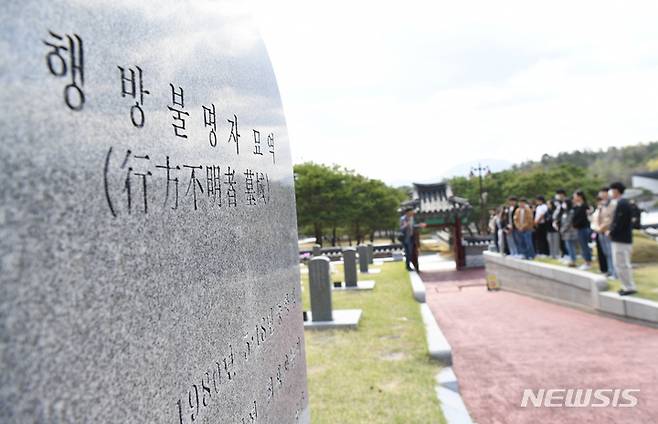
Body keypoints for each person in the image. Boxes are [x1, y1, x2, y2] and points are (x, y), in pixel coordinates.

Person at [608, 182, 637, 296]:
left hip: (622, 239)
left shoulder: (623, 203)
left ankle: (629, 287)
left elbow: (619, 223)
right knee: (619, 263)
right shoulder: (621, 203)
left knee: (622, 263)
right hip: (620, 238)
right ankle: (625, 286)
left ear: (616, 191)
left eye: (612, 190)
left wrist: (612, 232)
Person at [592, 187, 616, 278]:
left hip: (607, 231)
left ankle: (614, 272)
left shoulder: (612, 204)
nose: (601, 195)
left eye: (602, 193)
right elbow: (596, 218)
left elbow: (610, 218)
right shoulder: (602, 205)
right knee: (606, 252)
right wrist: (597, 227)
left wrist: (602, 227)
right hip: (600, 231)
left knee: (611, 252)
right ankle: (610, 270)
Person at [571, 190, 592, 270]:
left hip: (584, 228)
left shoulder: (585, 206)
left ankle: (588, 262)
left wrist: (575, 224)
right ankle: (585, 261)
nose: (574, 198)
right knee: (582, 246)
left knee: (585, 245)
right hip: (579, 228)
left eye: (575, 196)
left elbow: (583, 218)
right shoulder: (576, 206)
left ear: (580, 197)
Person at [400, 208, 425, 272]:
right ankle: (408, 266)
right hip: (406, 238)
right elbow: (401, 228)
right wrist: (406, 224)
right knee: (408, 253)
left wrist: (419, 225)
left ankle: (413, 266)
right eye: (411, 212)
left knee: (411, 252)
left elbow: (413, 226)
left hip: (412, 237)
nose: (412, 213)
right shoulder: (403, 219)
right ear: (407, 212)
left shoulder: (412, 218)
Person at [559, 199, 578, 267]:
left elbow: (568, 222)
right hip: (565, 232)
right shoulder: (565, 212)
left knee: (571, 247)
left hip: (570, 232)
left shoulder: (571, 212)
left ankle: (573, 260)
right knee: (568, 246)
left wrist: (562, 229)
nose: (563, 205)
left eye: (564, 203)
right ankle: (571, 259)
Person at [553, 189, 570, 260]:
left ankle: (567, 254)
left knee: (565, 240)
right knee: (561, 239)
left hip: (565, 224)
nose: (557, 196)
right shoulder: (559, 203)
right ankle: (563, 253)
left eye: (559, 194)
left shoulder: (567, 201)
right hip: (560, 223)